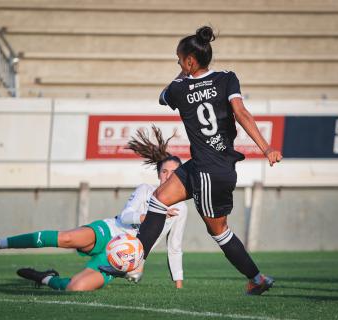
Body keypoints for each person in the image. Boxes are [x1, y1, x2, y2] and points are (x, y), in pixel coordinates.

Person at [104, 26, 283, 295]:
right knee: (158, 199)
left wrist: (183, 74)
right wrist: (266, 147)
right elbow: (241, 112)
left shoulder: (179, 87)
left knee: (220, 232)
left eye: (180, 60)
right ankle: (134, 260)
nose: (179, 64)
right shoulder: (226, 78)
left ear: (189, 61)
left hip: (210, 171)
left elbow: (162, 96)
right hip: (206, 165)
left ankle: (257, 278)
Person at [0, 126, 188, 291]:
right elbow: (126, 216)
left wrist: (178, 286)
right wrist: (150, 215)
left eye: (173, 173)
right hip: (111, 231)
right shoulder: (145, 190)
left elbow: (175, 247)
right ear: (158, 173)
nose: (168, 177)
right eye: (164, 172)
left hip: (121, 257)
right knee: (67, 238)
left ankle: (45, 277)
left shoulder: (181, 208)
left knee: (75, 287)